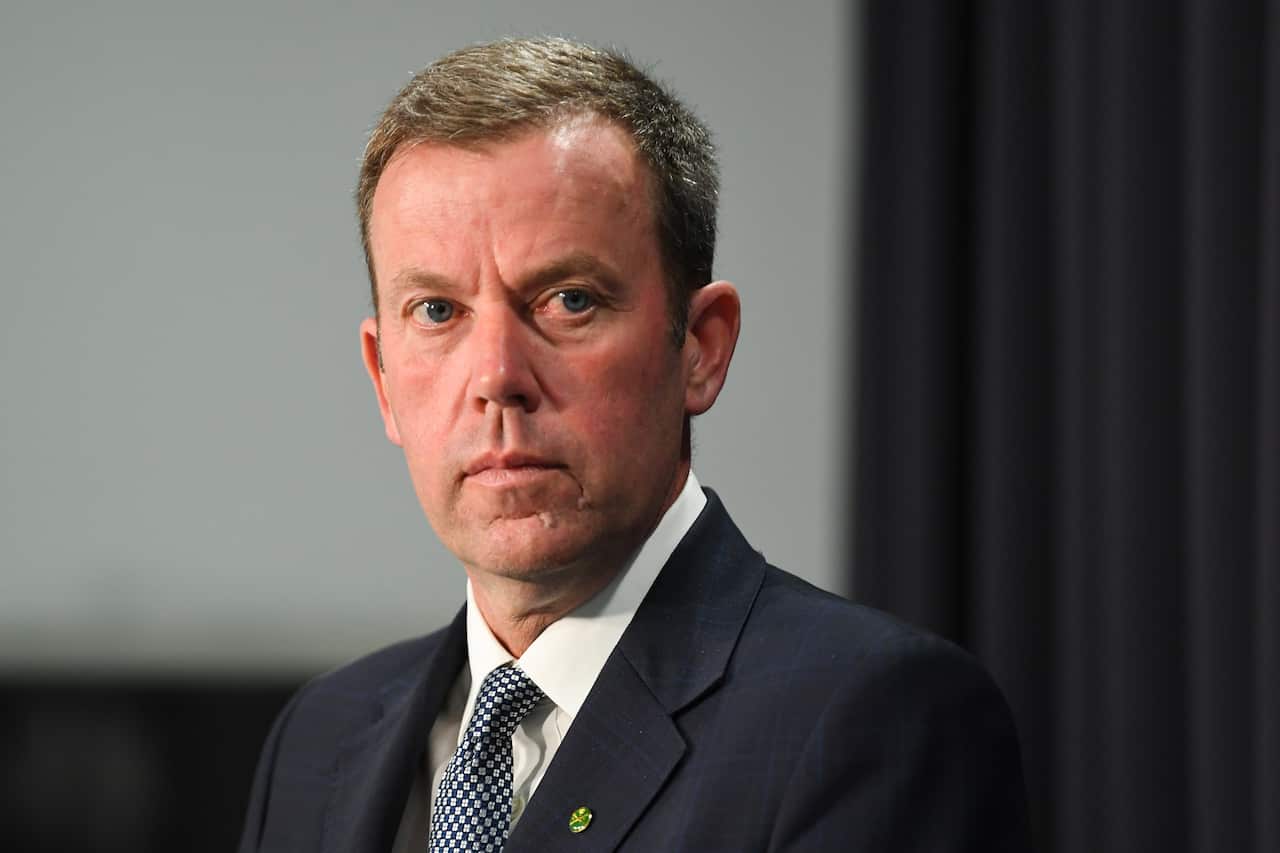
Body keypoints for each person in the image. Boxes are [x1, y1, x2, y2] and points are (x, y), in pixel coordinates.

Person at [238, 37, 1031, 853]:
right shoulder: (317, 744)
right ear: (383, 378)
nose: (498, 376)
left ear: (701, 347)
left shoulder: (872, 721)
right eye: (438, 311)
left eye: (568, 300)